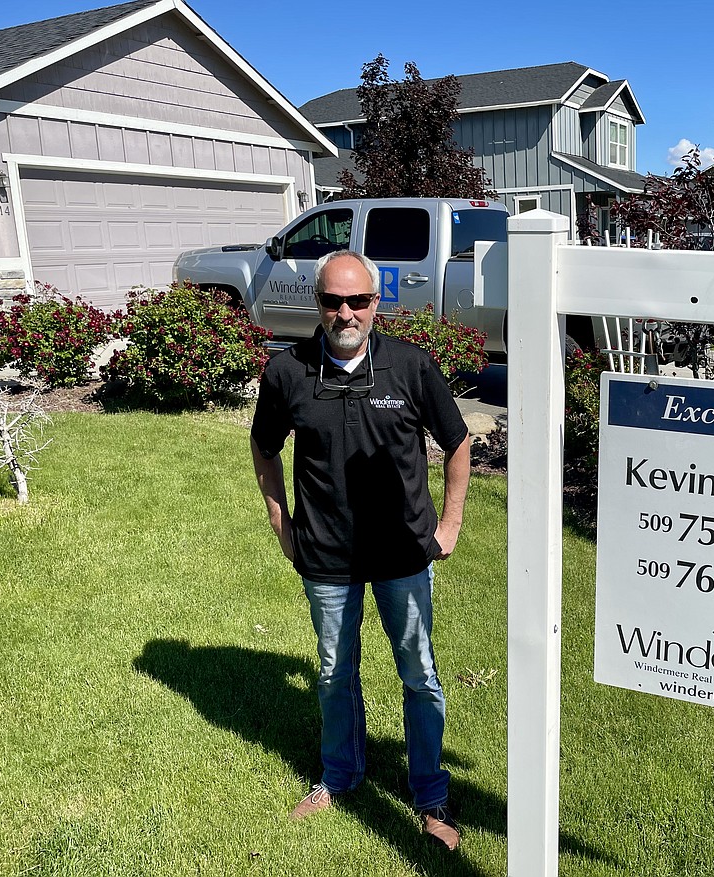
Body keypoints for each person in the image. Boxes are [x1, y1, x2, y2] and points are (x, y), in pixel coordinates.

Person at [250, 249, 470, 851]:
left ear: (378, 303)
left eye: (358, 300)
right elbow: (264, 451)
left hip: (402, 552)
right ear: (316, 303)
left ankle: (430, 794)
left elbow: (457, 443)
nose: (346, 312)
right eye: (332, 301)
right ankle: (341, 776)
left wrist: (448, 525)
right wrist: (283, 526)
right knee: (331, 672)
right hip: (326, 554)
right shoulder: (288, 372)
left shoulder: (410, 366)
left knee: (419, 675)